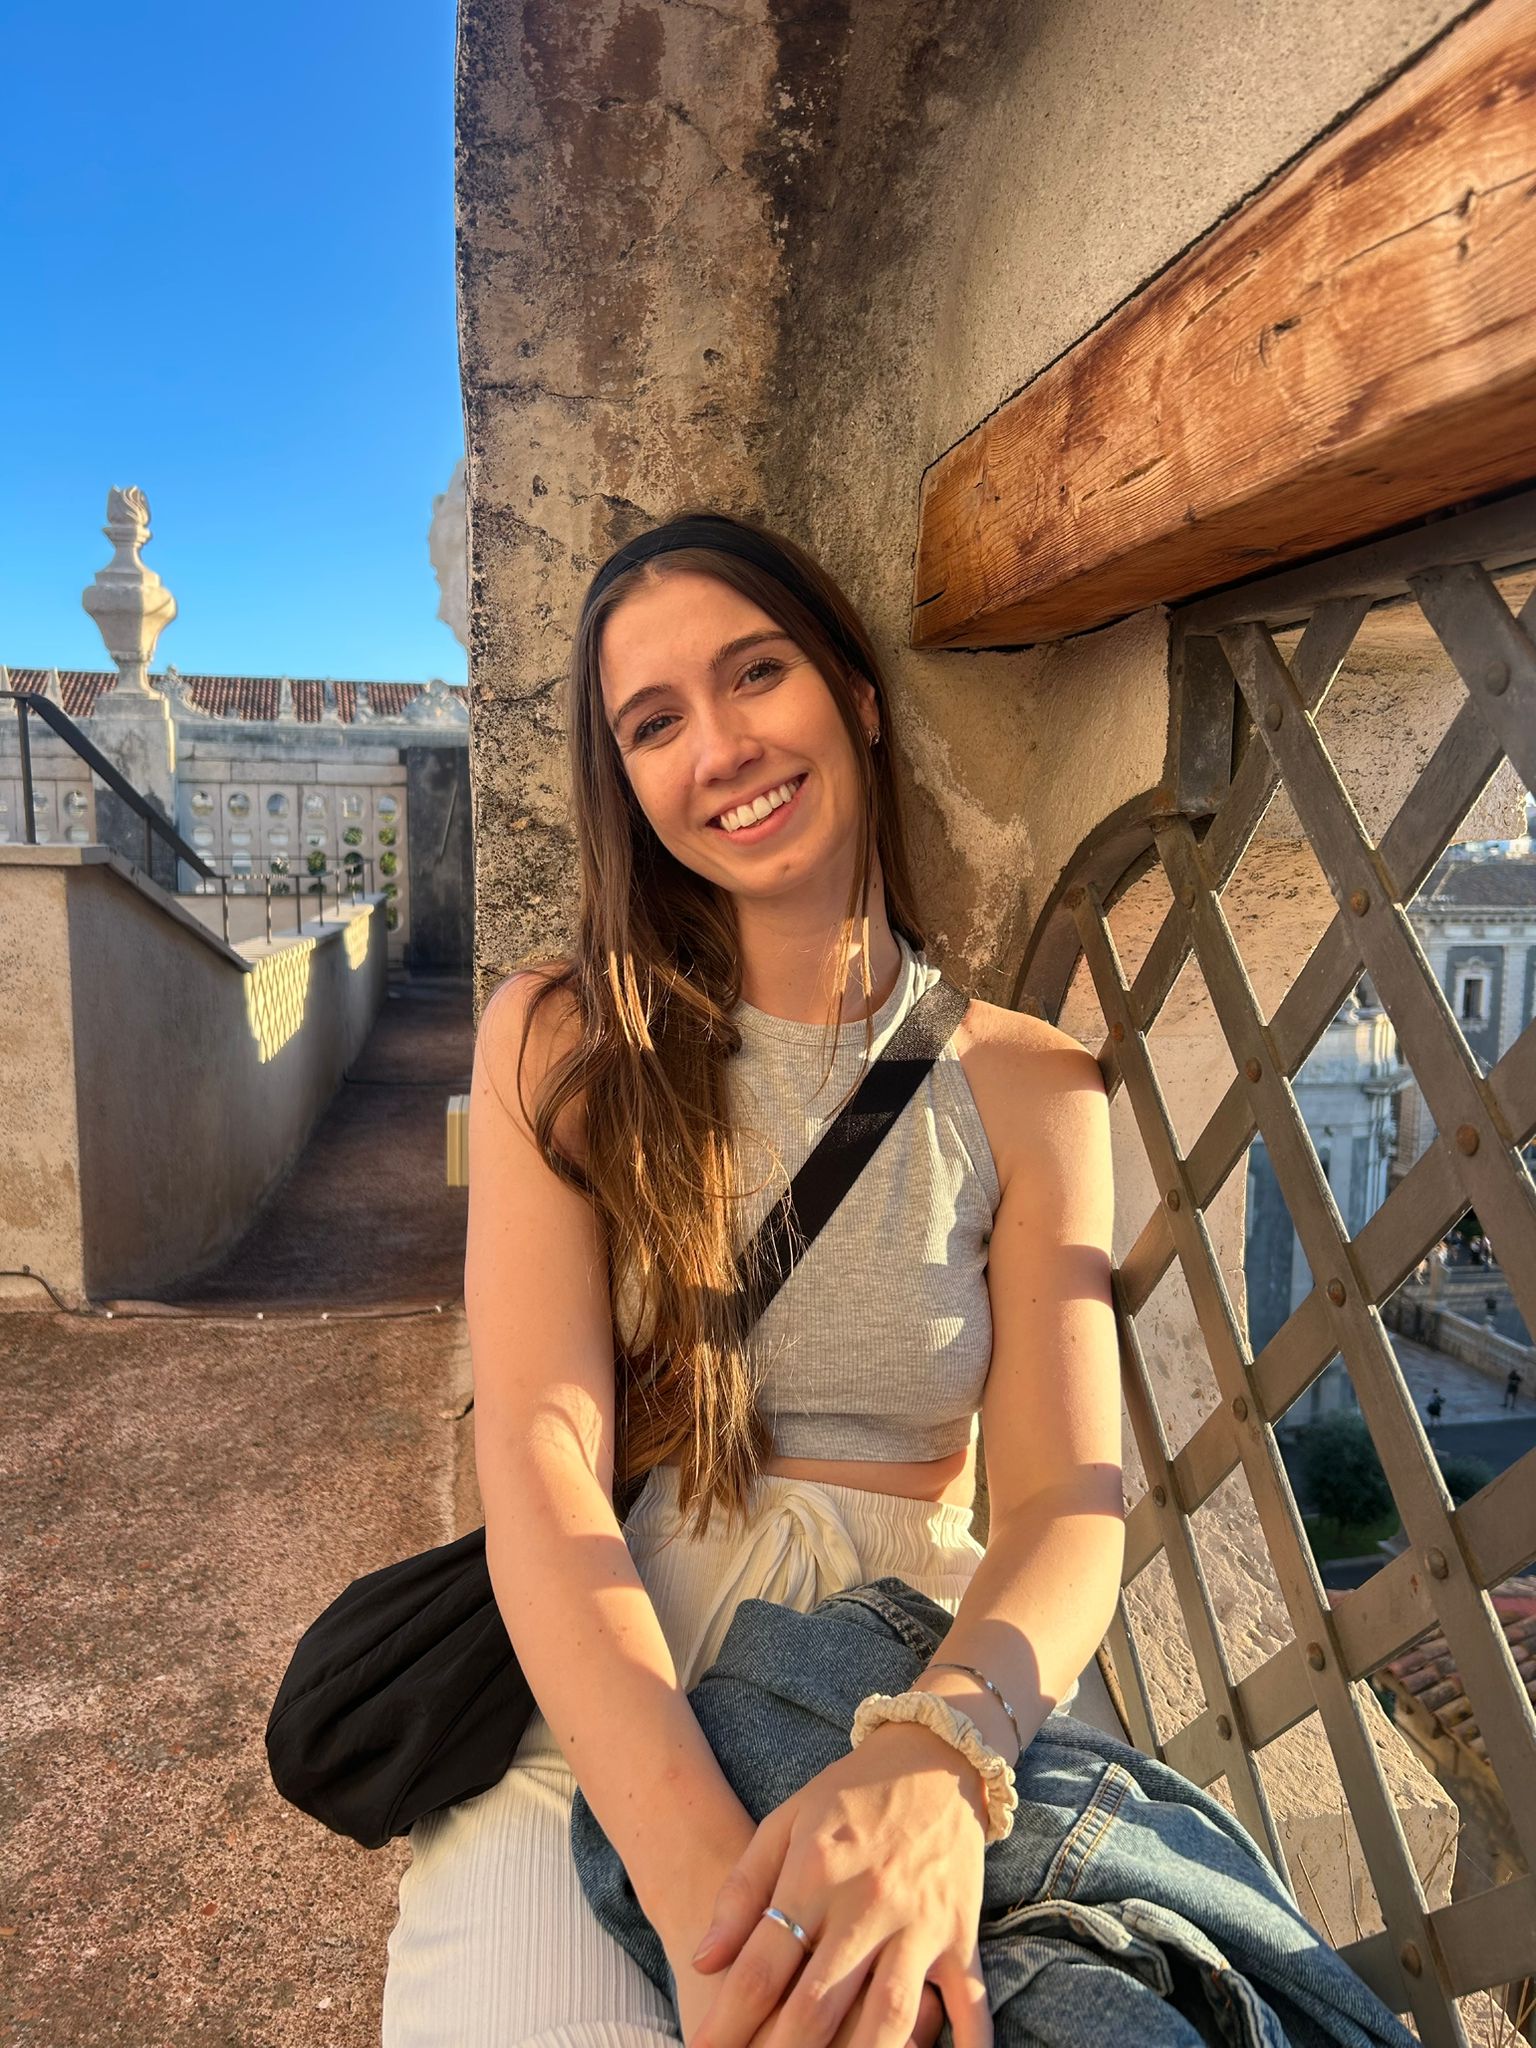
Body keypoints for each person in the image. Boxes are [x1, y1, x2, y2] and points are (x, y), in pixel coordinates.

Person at [381, 509, 1124, 2048]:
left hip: (906, 1667)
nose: (718, 748)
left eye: (755, 675)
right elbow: (539, 1453)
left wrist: (937, 1760)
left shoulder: (1036, 1089)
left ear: (853, 689)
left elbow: (1067, 1505)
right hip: (617, 1670)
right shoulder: (565, 1041)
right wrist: (708, 1897)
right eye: (655, 724)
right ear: (629, 785)